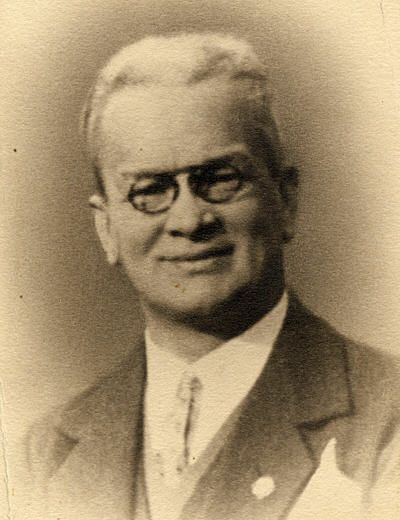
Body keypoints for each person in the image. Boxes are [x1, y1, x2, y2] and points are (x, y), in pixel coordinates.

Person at [19, 32, 400, 520]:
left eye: (220, 179)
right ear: (106, 228)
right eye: (150, 190)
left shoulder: (387, 417)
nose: (189, 220)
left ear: (286, 200)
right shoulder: (43, 454)